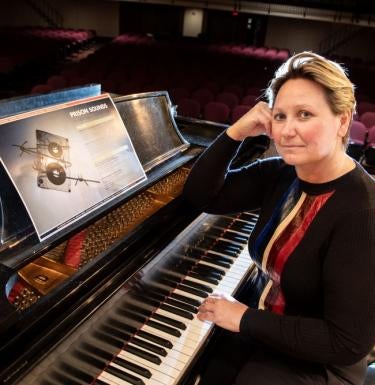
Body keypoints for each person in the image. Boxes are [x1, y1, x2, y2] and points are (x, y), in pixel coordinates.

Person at [183, 51, 375, 385]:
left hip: (320, 362)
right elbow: (202, 196)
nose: (287, 130)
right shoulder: (283, 173)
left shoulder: (364, 213)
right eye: (281, 116)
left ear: (342, 121)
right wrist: (236, 132)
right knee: (200, 367)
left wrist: (244, 318)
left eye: (304, 114)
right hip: (266, 327)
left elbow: (345, 342)